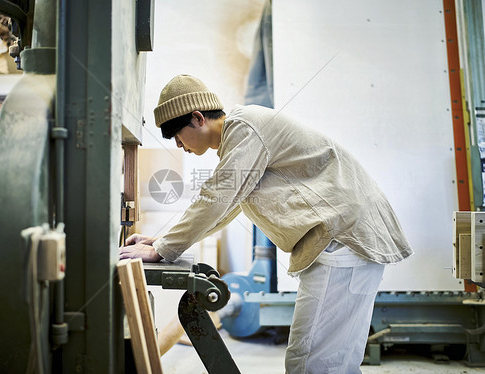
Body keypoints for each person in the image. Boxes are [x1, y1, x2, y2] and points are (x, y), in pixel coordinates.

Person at [119, 75, 413, 373]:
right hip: (349, 241)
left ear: (197, 118)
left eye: (178, 136)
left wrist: (165, 248)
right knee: (335, 361)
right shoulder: (243, 135)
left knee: (311, 363)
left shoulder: (244, 128)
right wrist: (160, 243)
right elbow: (226, 206)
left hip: (343, 241)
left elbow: (217, 197)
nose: (179, 146)